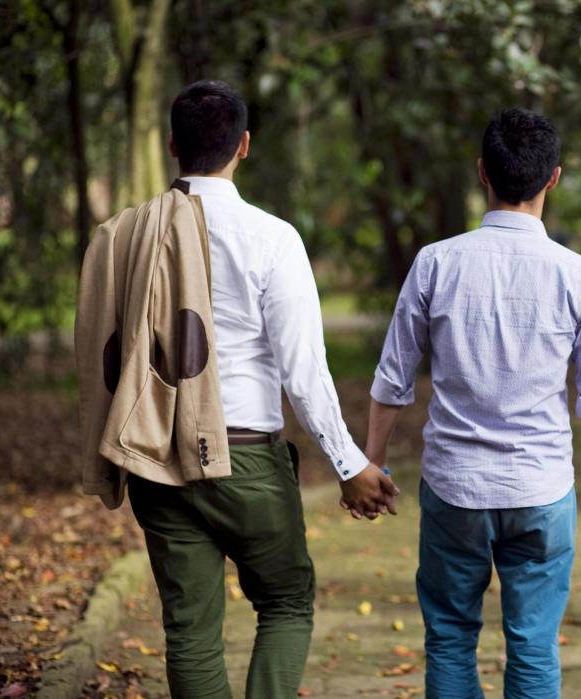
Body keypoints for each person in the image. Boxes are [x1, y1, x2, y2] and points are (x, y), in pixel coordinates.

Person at [110, 80, 398, 698]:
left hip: (155, 456)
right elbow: (303, 370)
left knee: (190, 632)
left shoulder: (129, 235)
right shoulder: (271, 238)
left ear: (171, 144)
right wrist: (349, 465)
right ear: (244, 144)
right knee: (287, 601)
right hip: (246, 461)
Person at [365, 107, 581, 698]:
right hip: (541, 489)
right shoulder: (579, 275)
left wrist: (373, 463)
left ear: (483, 171)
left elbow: (392, 378)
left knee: (450, 638)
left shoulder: (436, 263)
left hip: (454, 487)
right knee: (533, 644)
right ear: (553, 178)